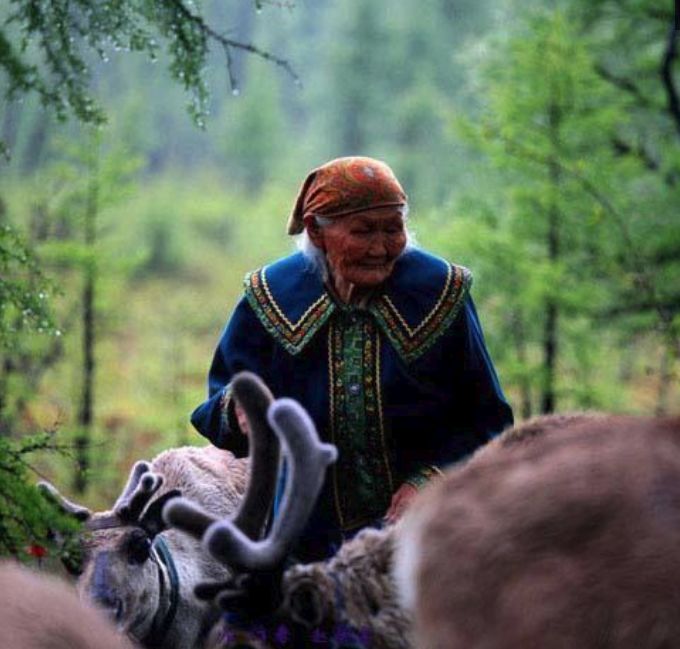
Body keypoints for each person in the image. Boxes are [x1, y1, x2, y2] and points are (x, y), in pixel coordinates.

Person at [191, 156, 513, 561]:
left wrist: (432, 480)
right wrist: (240, 408)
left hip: (426, 536)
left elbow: (488, 419)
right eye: (362, 232)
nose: (381, 248)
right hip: (303, 537)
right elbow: (218, 403)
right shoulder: (271, 297)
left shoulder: (439, 293)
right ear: (316, 231)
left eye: (393, 229)